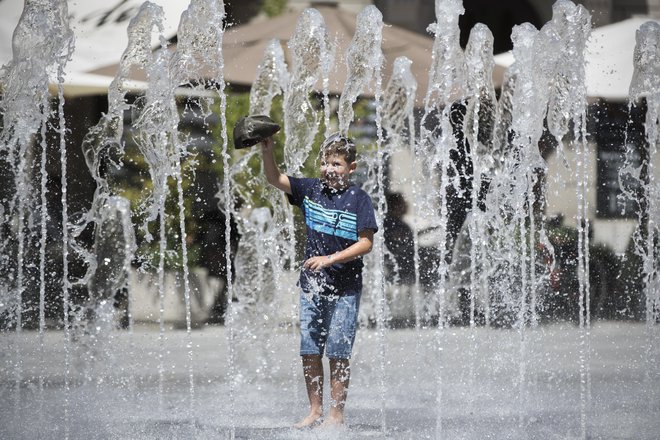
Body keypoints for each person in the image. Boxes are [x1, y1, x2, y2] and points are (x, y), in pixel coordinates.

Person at [261, 132, 378, 428]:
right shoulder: (311, 190)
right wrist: (267, 149)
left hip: (345, 290)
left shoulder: (359, 199)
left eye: (336, 164)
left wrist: (330, 259)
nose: (329, 169)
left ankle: (336, 416)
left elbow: (366, 243)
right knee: (310, 350)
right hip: (312, 287)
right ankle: (315, 411)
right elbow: (275, 178)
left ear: (351, 167)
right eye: (325, 163)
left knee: (338, 352)